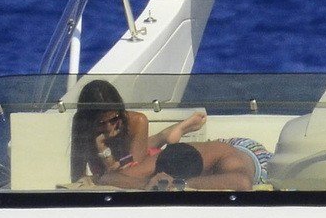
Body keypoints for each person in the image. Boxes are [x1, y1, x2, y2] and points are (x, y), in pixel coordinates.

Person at [70, 80, 206, 184]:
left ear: (120, 111)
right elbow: (77, 174)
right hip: (119, 168)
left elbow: (133, 167)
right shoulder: (81, 124)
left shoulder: (137, 122)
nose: (108, 127)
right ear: (88, 119)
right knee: (143, 148)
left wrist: (104, 151)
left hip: (141, 166)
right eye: (101, 123)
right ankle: (163, 136)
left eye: (114, 119)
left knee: (152, 159)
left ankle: (164, 136)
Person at [145, 139, 272, 191]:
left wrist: (180, 184)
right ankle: (164, 136)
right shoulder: (166, 157)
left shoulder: (228, 160)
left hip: (257, 159)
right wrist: (147, 183)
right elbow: (132, 176)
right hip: (218, 146)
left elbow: (242, 182)